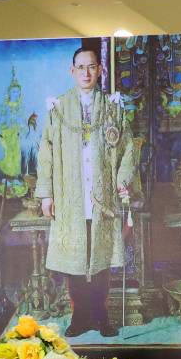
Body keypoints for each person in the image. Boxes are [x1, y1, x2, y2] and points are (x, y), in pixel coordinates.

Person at [35, 43, 136, 337]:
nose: (86, 73)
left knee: (101, 257)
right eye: (81, 67)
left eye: (92, 67)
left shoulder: (113, 108)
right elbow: (46, 153)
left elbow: (128, 147)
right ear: (72, 71)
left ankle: (101, 316)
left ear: (100, 70)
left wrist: (123, 180)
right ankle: (80, 316)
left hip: (103, 196)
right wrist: (46, 194)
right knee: (76, 259)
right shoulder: (58, 108)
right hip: (70, 197)